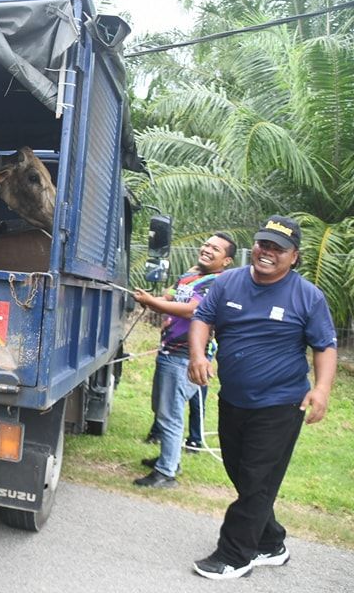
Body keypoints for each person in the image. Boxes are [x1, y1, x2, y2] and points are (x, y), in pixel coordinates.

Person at [188, 215, 337, 580]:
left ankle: (234, 555)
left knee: (256, 479)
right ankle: (272, 543)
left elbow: (325, 346)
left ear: (294, 256)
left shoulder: (307, 296)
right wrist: (198, 355)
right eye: (263, 244)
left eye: (278, 248)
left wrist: (321, 389)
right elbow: (202, 318)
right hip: (234, 399)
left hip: (280, 404)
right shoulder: (228, 282)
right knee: (243, 474)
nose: (267, 252)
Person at [132, 232, 236, 488]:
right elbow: (168, 297)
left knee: (171, 414)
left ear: (226, 261)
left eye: (215, 249)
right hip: (167, 352)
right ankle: (170, 459)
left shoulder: (218, 283)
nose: (207, 249)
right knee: (162, 408)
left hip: (185, 356)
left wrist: (152, 303)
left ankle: (166, 473)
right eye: (206, 245)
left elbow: (193, 310)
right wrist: (150, 298)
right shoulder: (189, 276)